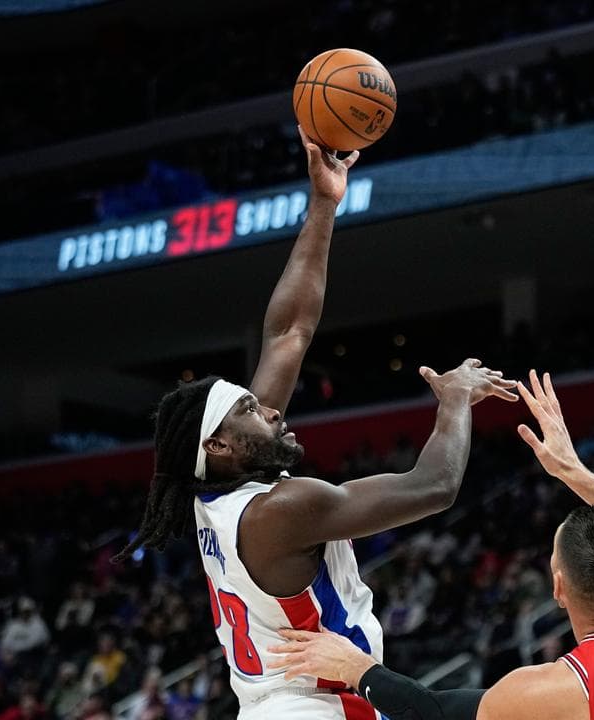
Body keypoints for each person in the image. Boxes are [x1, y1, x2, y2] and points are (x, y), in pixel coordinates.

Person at [116, 128, 518, 720]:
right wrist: (455, 400)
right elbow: (433, 487)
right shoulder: (279, 510)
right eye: (249, 410)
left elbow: (289, 333)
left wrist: (324, 202)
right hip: (312, 708)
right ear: (219, 444)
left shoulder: (215, 488)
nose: (271, 408)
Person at [267, 370, 594, 720]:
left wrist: (356, 668)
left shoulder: (561, 689)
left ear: (558, 588)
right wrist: (575, 474)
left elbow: (434, 713)